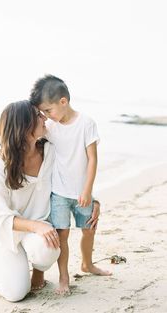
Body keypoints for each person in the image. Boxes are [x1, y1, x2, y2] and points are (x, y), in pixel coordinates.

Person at [30, 75, 112, 295]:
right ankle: (63, 277)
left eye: (48, 110)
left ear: (63, 102)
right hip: (58, 193)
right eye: (44, 113)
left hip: (81, 192)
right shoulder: (50, 126)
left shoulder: (86, 123)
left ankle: (87, 263)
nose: (46, 116)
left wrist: (87, 191)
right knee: (62, 235)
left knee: (89, 230)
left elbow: (92, 159)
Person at [0, 100, 60, 302]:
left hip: (37, 229)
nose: (45, 118)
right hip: (5, 232)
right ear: (24, 126)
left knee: (48, 249)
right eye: (38, 116)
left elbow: (75, 171)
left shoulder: (51, 151)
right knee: (16, 294)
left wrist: (93, 200)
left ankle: (38, 271)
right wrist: (36, 226)